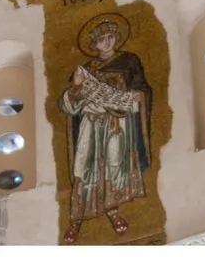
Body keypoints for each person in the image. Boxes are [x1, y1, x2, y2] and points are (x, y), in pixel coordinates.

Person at [60, 18, 152, 243]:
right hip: (91, 125)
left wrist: (133, 97)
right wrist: (77, 85)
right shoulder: (87, 69)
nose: (107, 42)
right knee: (86, 167)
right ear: (94, 44)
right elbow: (68, 105)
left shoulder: (129, 61)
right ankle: (76, 219)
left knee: (114, 166)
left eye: (110, 37)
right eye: (101, 39)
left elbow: (142, 90)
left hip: (118, 125)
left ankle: (112, 211)